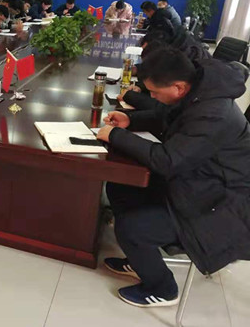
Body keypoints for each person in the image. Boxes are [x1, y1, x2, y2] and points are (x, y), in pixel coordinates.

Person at [96, 48, 250, 308]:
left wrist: (115, 136)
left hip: (221, 206)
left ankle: (163, 288)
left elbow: (168, 161)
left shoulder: (214, 113)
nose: (152, 97)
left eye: (155, 92)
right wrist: (129, 121)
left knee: (132, 228)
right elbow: (164, 117)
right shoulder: (198, 90)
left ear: (178, 87)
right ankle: (141, 259)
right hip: (199, 182)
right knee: (121, 187)